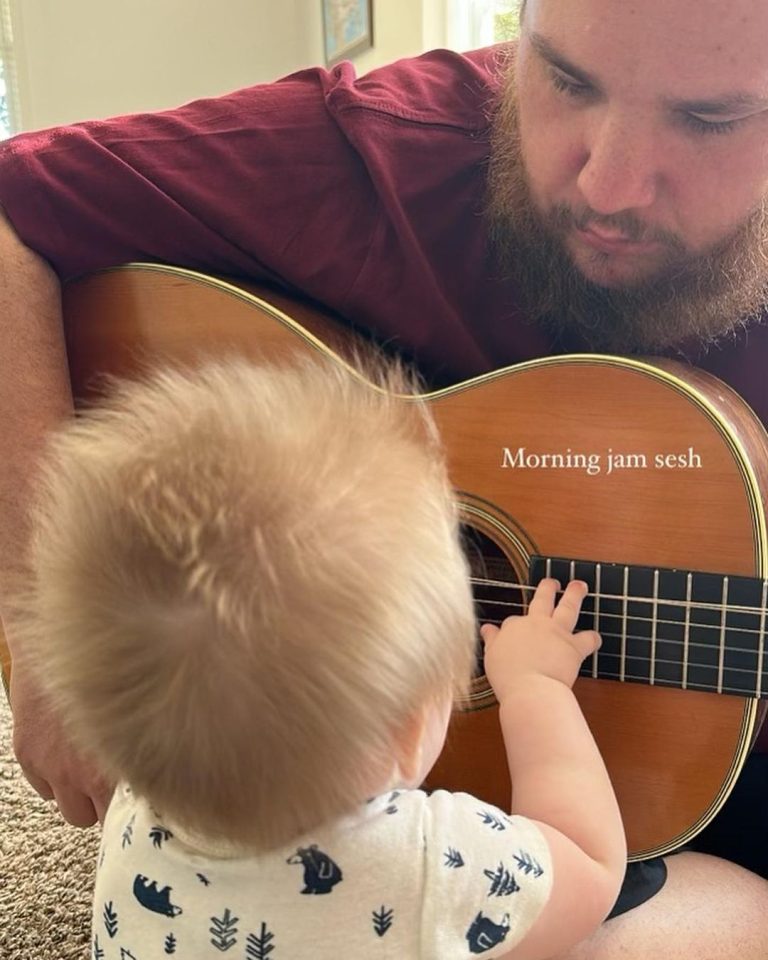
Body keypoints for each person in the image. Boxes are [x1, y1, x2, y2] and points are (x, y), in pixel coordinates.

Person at [1, 0, 768, 955]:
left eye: (711, 119)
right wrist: (37, 636)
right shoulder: (398, 142)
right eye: (565, 79)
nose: (608, 185)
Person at [15, 354, 625, 959]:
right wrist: (537, 689)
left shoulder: (134, 803)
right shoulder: (432, 868)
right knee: (722, 897)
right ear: (411, 732)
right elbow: (589, 862)